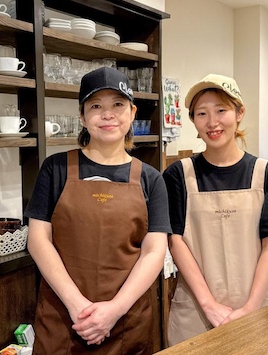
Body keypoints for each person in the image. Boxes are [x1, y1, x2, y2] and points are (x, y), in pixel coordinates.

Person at [25, 67, 171, 354]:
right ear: (82, 116)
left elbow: (154, 251)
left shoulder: (151, 178)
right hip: (63, 317)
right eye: (95, 106)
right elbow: (38, 240)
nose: (108, 115)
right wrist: (77, 305)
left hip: (126, 320)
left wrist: (115, 309)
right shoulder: (55, 169)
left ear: (132, 112)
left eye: (117, 104)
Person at [163, 74, 268, 345]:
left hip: (255, 310)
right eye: (202, 113)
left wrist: (250, 307)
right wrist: (209, 305)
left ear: (239, 113)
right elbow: (175, 240)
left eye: (221, 110)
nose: (212, 122)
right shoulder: (178, 175)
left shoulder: (267, 174)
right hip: (195, 311)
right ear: (193, 120)